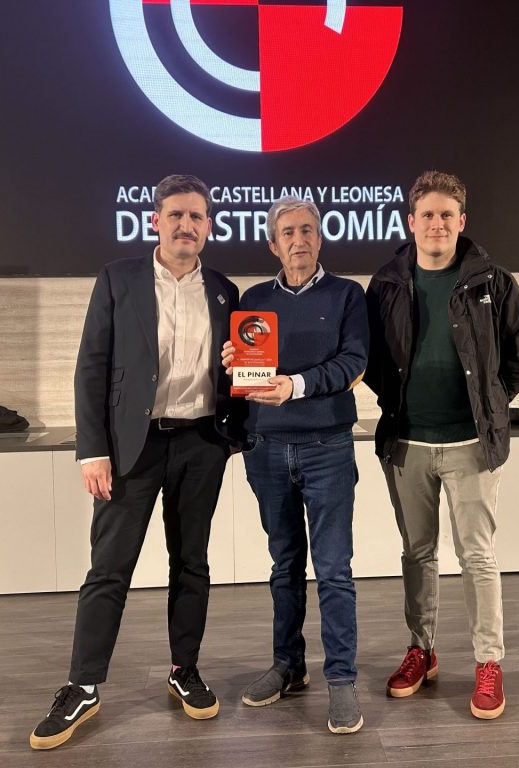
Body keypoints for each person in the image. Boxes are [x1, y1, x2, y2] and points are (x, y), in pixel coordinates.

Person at [30, 175, 240, 749]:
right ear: (155, 221)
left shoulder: (225, 290)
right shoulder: (118, 279)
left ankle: (184, 670)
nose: (186, 225)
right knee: (109, 568)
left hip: (201, 443)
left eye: (196, 216)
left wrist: (233, 417)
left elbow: (238, 372)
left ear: (208, 226)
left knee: (191, 564)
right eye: (175, 215)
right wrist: (92, 450)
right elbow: (91, 368)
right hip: (131, 448)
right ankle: (83, 685)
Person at [364, 171, 519, 720]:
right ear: (410, 222)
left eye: (446, 215)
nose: (436, 224)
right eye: (427, 215)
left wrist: (488, 402)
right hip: (407, 444)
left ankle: (488, 662)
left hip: (471, 446)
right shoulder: (385, 285)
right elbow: (371, 360)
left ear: (462, 221)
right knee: (416, 553)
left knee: (477, 556)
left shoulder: (494, 282)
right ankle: (422, 649)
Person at [221, 196, 369, 734]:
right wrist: (231, 363)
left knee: (333, 570)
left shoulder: (348, 295)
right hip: (266, 449)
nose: (299, 240)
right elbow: (247, 375)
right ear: (272, 244)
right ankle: (288, 665)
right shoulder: (254, 300)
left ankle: (341, 678)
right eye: (288, 232)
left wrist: (296, 385)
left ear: (320, 237)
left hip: (328, 446)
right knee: (284, 567)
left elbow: (354, 361)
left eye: (307, 229)